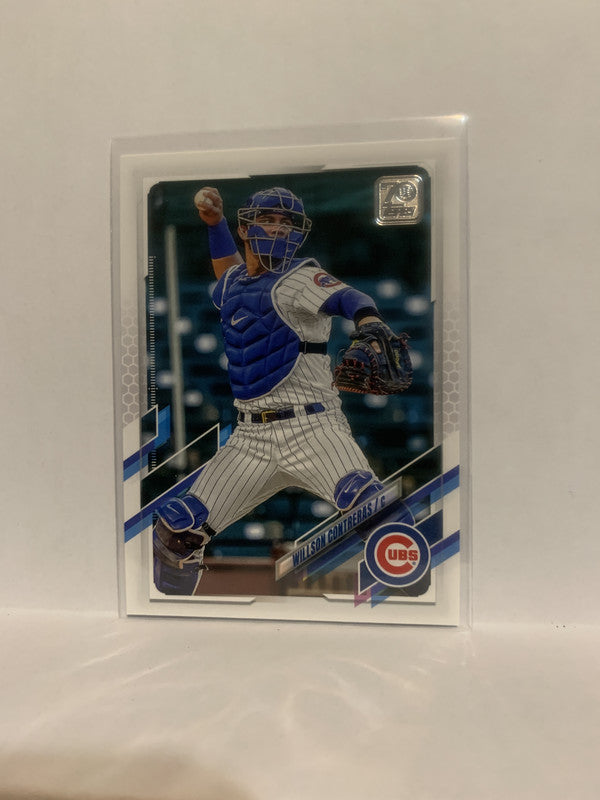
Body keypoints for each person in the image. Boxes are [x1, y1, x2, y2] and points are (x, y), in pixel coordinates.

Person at [153, 186, 394, 595]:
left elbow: (350, 296)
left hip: (312, 427)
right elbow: (229, 272)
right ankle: (172, 615)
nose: (279, 229)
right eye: (268, 220)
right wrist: (214, 224)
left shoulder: (301, 277)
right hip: (251, 438)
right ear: (245, 228)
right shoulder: (234, 283)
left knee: (375, 512)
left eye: (287, 223)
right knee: (175, 533)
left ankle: (407, 595)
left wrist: (369, 320)